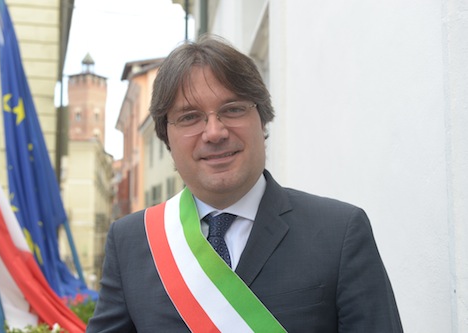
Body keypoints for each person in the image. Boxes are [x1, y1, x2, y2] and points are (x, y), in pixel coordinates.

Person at [86, 34, 403, 332]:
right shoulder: (131, 242)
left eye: (233, 109)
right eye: (190, 117)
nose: (214, 132)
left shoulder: (340, 232)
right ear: (166, 135)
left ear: (262, 119)